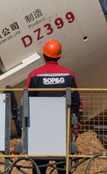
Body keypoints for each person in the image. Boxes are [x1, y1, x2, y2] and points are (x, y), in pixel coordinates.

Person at [24, 39, 82, 174]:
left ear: (44, 55)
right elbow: (77, 100)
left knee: (39, 166)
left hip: (40, 129)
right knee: (62, 166)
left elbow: (27, 101)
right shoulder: (68, 75)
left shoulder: (34, 75)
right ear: (59, 56)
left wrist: (27, 125)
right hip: (62, 129)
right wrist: (75, 121)